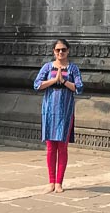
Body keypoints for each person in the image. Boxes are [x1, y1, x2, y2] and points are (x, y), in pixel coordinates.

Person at [33, 38, 83, 193]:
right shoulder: (48, 67)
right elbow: (37, 85)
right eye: (57, 50)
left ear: (68, 51)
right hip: (49, 111)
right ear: (54, 52)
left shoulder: (73, 68)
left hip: (65, 111)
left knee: (62, 147)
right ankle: (51, 181)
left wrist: (64, 81)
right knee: (50, 148)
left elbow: (79, 88)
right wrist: (54, 80)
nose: (60, 52)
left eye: (63, 50)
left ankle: (59, 182)